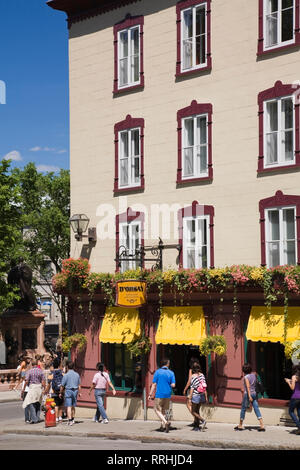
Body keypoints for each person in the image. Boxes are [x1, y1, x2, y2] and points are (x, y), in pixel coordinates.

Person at [235, 363, 265, 432]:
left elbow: (248, 387)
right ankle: (261, 425)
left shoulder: (246, 377)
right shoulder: (254, 375)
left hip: (248, 394)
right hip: (254, 393)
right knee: (256, 408)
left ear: (243, 370)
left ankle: (240, 425)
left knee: (243, 409)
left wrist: (249, 396)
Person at [148, 358, 175, 433]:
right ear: (167, 364)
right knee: (164, 411)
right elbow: (173, 385)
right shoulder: (171, 373)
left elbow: (154, 384)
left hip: (159, 394)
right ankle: (162, 426)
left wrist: (150, 394)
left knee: (156, 410)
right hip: (168, 394)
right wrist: (168, 383)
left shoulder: (157, 372)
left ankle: (166, 422)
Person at [22, 359, 46, 424]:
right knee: (38, 403)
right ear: (37, 364)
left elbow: (26, 381)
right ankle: (37, 417)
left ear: (32, 365)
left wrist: (23, 389)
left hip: (32, 387)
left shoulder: (29, 371)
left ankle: (34, 418)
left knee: (31, 403)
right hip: (39, 387)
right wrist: (45, 389)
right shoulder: (41, 371)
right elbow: (43, 381)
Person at [59, 360, 81, 426]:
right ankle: (73, 419)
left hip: (68, 391)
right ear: (73, 367)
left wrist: (60, 392)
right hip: (75, 391)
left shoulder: (66, 375)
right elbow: (79, 385)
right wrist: (80, 392)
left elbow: (62, 386)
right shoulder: (77, 374)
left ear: (67, 367)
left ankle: (70, 420)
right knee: (73, 406)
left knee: (69, 406)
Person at [188, 363, 207, 431]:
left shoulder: (193, 376)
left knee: (193, 411)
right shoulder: (202, 375)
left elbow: (192, 388)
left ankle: (203, 420)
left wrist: (190, 399)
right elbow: (204, 386)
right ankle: (197, 426)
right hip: (201, 395)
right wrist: (206, 396)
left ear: (193, 369)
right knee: (197, 411)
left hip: (195, 395)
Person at [183, 357, 200, 425]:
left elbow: (190, 381)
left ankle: (196, 419)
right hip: (199, 390)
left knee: (189, 404)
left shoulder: (191, 370)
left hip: (192, 390)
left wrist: (185, 389)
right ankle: (196, 420)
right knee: (196, 407)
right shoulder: (199, 371)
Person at [47, 357, 64, 424]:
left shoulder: (51, 374)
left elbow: (48, 384)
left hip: (53, 392)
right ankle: (60, 418)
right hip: (61, 391)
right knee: (60, 405)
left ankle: (56, 418)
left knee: (56, 405)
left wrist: (46, 392)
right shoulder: (62, 373)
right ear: (59, 365)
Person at [285, 365, 300, 435]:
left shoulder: (294, 376)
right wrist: (291, 381)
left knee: (291, 411)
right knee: (299, 412)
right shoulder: (298, 377)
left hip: (295, 397)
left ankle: (299, 426)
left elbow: (292, 388)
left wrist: (288, 381)